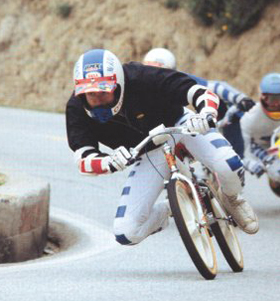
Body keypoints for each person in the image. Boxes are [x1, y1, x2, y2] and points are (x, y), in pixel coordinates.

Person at [66, 48, 259, 246]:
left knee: (230, 165)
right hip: (148, 152)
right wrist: (107, 162)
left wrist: (205, 114)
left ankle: (232, 198)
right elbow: (83, 157)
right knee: (127, 233)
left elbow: (199, 92)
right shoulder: (76, 108)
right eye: (90, 95)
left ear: (118, 84)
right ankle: (170, 209)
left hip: (180, 126)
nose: (98, 101)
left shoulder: (143, 76)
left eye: (103, 93)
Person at [143, 48, 255, 158]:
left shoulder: (177, 79)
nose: (154, 77)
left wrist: (240, 98)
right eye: (148, 71)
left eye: (159, 72)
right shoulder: (138, 86)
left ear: (171, 72)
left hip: (187, 125)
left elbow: (214, 87)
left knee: (229, 158)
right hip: (161, 134)